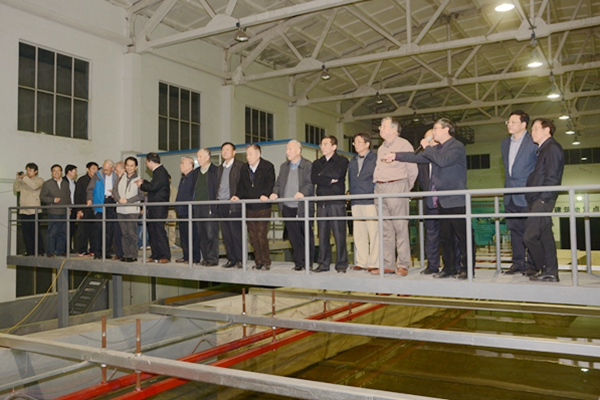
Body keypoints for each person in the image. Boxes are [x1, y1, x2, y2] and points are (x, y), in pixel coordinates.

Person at [386, 118, 470, 279]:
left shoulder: (456, 146)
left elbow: (442, 161)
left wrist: (428, 147)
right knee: (445, 237)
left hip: (455, 199)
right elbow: (417, 157)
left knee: (462, 236)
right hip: (442, 200)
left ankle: (466, 268)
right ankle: (449, 268)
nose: (434, 132)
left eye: (436, 128)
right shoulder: (437, 149)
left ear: (446, 130)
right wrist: (396, 155)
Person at [373, 117, 418, 276]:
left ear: (394, 129)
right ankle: (388, 265)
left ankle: (403, 264)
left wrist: (405, 188)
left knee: (400, 227)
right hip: (380, 188)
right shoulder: (381, 148)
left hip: (397, 186)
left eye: (383, 126)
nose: (380, 128)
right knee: (385, 229)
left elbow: (412, 169)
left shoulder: (404, 145)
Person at [524, 118, 564, 282]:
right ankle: (551, 272)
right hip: (539, 198)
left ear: (547, 130)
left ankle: (543, 266)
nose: (532, 132)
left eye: (535, 129)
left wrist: (543, 199)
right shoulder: (543, 149)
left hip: (543, 199)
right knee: (546, 237)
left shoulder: (552, 148)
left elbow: (552, 176)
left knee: (529, 236)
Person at [501, 110, 538, 275]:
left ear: (524, 124)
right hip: (510, 194)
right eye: (508, 122)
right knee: (514, 231)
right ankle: (518, 263)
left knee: (530, 232)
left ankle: (532, 265)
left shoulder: (533, 142)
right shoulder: (504, 143)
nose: (509, 125)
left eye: (513, 122)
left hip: (526, 194)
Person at [270, 140, 314, 271]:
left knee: (306, 235)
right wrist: (275, 193)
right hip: (287, 207)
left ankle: (308, 262)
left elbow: (310, 183)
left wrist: (302, 192)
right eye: (286, 149)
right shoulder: (284, 167)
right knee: (294, 237)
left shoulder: (307, 165)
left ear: (298, 151)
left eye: (290, 149)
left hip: (302, 207)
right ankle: (299, 262)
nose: (287, 152)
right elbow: (278, 184)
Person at [232, 144, 275, 270]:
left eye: (250, 154)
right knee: (253, 236)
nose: (248, 157)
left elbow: (270, 183)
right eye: (247, 154)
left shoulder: (267, 166)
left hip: (263, 206)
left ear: (258, 154)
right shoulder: (244, 168)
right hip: (249, 207)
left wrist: (266, 194)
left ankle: (266, 261)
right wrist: (237, 196)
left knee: (261, 234)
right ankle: (258, 261)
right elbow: (241, 185)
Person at [311, 135, 349, 273]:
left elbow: (337, 174)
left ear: (334, 147)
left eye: (326, 144)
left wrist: (322, 175)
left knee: (339, 234)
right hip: (322, 202)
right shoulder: (317, 163)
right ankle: (323, 264)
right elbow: (314, 178)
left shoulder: (342, 161)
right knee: (322, 234)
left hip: (336, 202)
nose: (322, 147)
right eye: (321, 144)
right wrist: (327, 179)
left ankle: (341, 264)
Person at [348, 133, 379, 270]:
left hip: (370, 200)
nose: (356, 145)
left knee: (374, 233)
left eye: (359, 142)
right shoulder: (352, 161)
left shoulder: (375, 159)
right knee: (359, 233)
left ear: (367, 144)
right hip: (356, 200)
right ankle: (362, 261)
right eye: (355, 142)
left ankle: (374, 263)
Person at [137, 152, 171, 263]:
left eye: (146, 162)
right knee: (153, 231)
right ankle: (156, 254)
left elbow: (153, 187)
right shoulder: (158, 172)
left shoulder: (161, 172)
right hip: (154, 207)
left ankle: (165, 255)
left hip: (159, 207)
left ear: (150, 162)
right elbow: (154, 185)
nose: (146, 165)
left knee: (159, 231)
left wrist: (141, 185)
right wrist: (144, 182)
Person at [217, 142, 244, 269]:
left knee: (236, 233)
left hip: (233, 203)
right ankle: (231, 259)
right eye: (223, 150)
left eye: (228, 149)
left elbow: (243, 184)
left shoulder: (240, 166)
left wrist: (238, 196)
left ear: (234, 152)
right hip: (221, 203)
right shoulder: (219, 168)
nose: (225, 152)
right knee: (226, 234)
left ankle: (240, 259)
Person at [114, 157, 144, 263]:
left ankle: (133, 254)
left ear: (136, 167)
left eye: (132, 166)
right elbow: (115, 190)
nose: (129, 168)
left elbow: (141, 195)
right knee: (124, 234)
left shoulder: (139, 179)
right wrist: (118, 199)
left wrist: (128, 200)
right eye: (127, 165)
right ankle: (126, 254)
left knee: (132, 233)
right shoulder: (120, 178)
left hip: (132, 210)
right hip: (120, 210)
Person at [86, 160, 119, 259]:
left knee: (109, 229)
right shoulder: (97, 176)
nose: (105, 172)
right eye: (104, 169)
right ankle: (97, 252)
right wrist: (89, 199)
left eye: (107, 170)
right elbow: (90, 189)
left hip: (111, 202)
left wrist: (115, 194)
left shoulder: (117, 176)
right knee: (98, 229)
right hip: (99, 203)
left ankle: (106, 251)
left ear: (112, 168)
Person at [194, 148, 219, 266]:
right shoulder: (196, 172)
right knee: (201, 234)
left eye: (200, 156)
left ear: (208, 157)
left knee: (211, 234)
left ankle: (212, 259)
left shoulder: (216, 171)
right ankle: (205, 258)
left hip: (210, 206)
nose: (198, 159)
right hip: (198, 207)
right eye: (197, 157)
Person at [13, 163, 45, 256]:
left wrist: (25, 178)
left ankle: (40, 250)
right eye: (27, 170)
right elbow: (16, 189)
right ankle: (29, 250)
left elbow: (34, 186)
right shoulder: (24, 180)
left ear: (36, 171)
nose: (28, 172)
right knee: (26, 232)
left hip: (34, 210)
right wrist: (18, 179)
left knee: (35, 231)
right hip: (24, 210)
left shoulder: (39, 180)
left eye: (30, 170)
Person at [40, 164, 70, 257]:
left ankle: (60, 250)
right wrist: (52, 200)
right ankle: (50, 251)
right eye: (54, 171)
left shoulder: (65, 183)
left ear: (61, 172)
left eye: (58, 171)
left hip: (64, 211)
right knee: (52, 232)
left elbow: (68, 196)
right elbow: (42, 197)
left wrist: (69, 208)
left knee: (63, 232)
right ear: (51, 172)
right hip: (53, 211)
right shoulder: (47, 184)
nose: (56, 172)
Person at [174, 157, 200, 264]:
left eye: (183, 163)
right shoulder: (183, 179)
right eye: (181, 163)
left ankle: (194, 257)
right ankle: (186, 256)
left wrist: (187, 204)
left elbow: (194, 194)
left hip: (189, 210)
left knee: (192, 235)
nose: (181, 165)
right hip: (181, 211)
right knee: (184, 236)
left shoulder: (194, 177)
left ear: (190, 165)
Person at [75, 162, 99, 257]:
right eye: (93, 168)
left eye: (96, 169)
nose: (95, 171)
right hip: (85, 209)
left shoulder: (98, 180)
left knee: (94, 231)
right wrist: (79, 209)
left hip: (95, 209)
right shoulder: (82, 180)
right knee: (83, 230)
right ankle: (82, 250)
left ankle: (93, 249)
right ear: (87, 169)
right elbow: (77, 195)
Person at [64, 164, 78, 253]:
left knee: (71, 229)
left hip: (74, 207)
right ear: (69, 171)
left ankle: (69, 247)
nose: (76, 173)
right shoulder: (62, 181)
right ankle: (63, 247)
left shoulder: (75, 183)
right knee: (64, 229)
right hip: (65, 208)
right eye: (74, 171)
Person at [167, 176, 179, 250]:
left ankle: (171, 243)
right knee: (162, 227)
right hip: (164, 210)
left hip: (173, 210)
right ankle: (163, 243)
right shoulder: (161, 189)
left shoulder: (174, 189)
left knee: (172, 228)